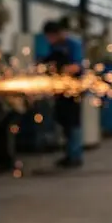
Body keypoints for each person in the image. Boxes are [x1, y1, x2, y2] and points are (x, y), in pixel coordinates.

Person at [41, 20, 84, 169]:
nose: (49, 40)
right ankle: (68, 154)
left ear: (57, 34)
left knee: (73, 122)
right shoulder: (54, 46)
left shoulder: (73, 44)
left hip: (73, 89)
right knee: (64, 122)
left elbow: (76, 66)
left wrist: (60, 71)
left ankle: (75, 156)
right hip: (59, 90)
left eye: (50, 37)